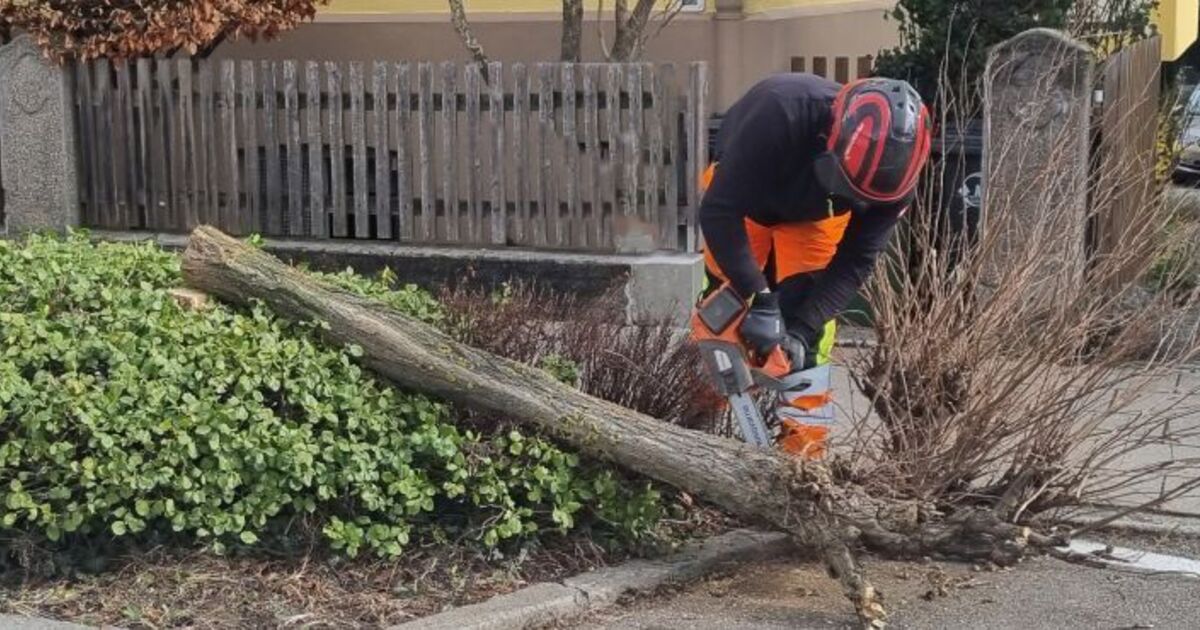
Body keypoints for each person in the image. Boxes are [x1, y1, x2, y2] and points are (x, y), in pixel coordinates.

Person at [695, 73, 932, 458]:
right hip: (743, 205)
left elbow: (857, 260)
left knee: (810, 337)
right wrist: (761, 299)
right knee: (723, 316)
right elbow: (720, 211)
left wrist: (801, 329)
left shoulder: (896, 181)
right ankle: (697, 431)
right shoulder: (780, 112)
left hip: (816, 219)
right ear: (830, 136)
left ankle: (803, 460)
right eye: (846, 184)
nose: (852, 196)